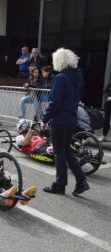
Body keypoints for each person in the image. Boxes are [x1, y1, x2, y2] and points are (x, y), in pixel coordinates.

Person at [41, 48, 89, 196]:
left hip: (60, 120)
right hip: (71, 119)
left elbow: (55, 102)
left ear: (59, 61)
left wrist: (44, 119)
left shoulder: (60, 78)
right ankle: (81, 181)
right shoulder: (78, 77)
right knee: (67, 151)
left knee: (59, 153)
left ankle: (60, 185)